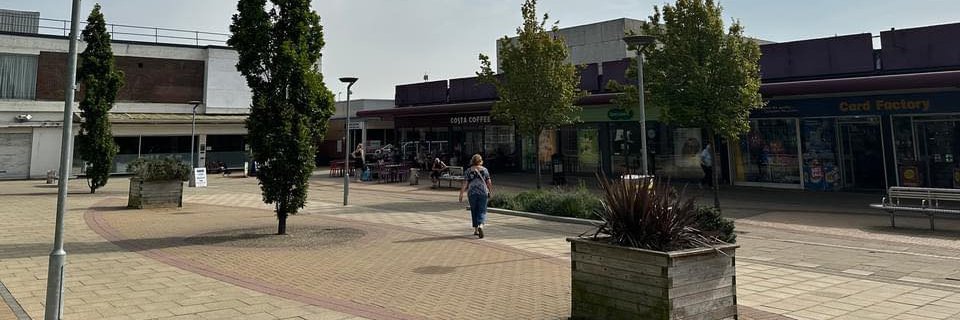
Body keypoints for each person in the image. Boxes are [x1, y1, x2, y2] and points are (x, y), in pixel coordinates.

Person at [459, 154, 493, 239]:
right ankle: (481, 225)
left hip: (472, 193)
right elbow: (489, 182)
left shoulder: (468, 171)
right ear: (480, 161)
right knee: (482, 210)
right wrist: (490, 191)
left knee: (474, 210)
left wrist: (461, 193)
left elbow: (465, 183)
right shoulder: (485, 170)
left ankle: (476, 230)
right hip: (483, 193)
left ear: (472, 161)